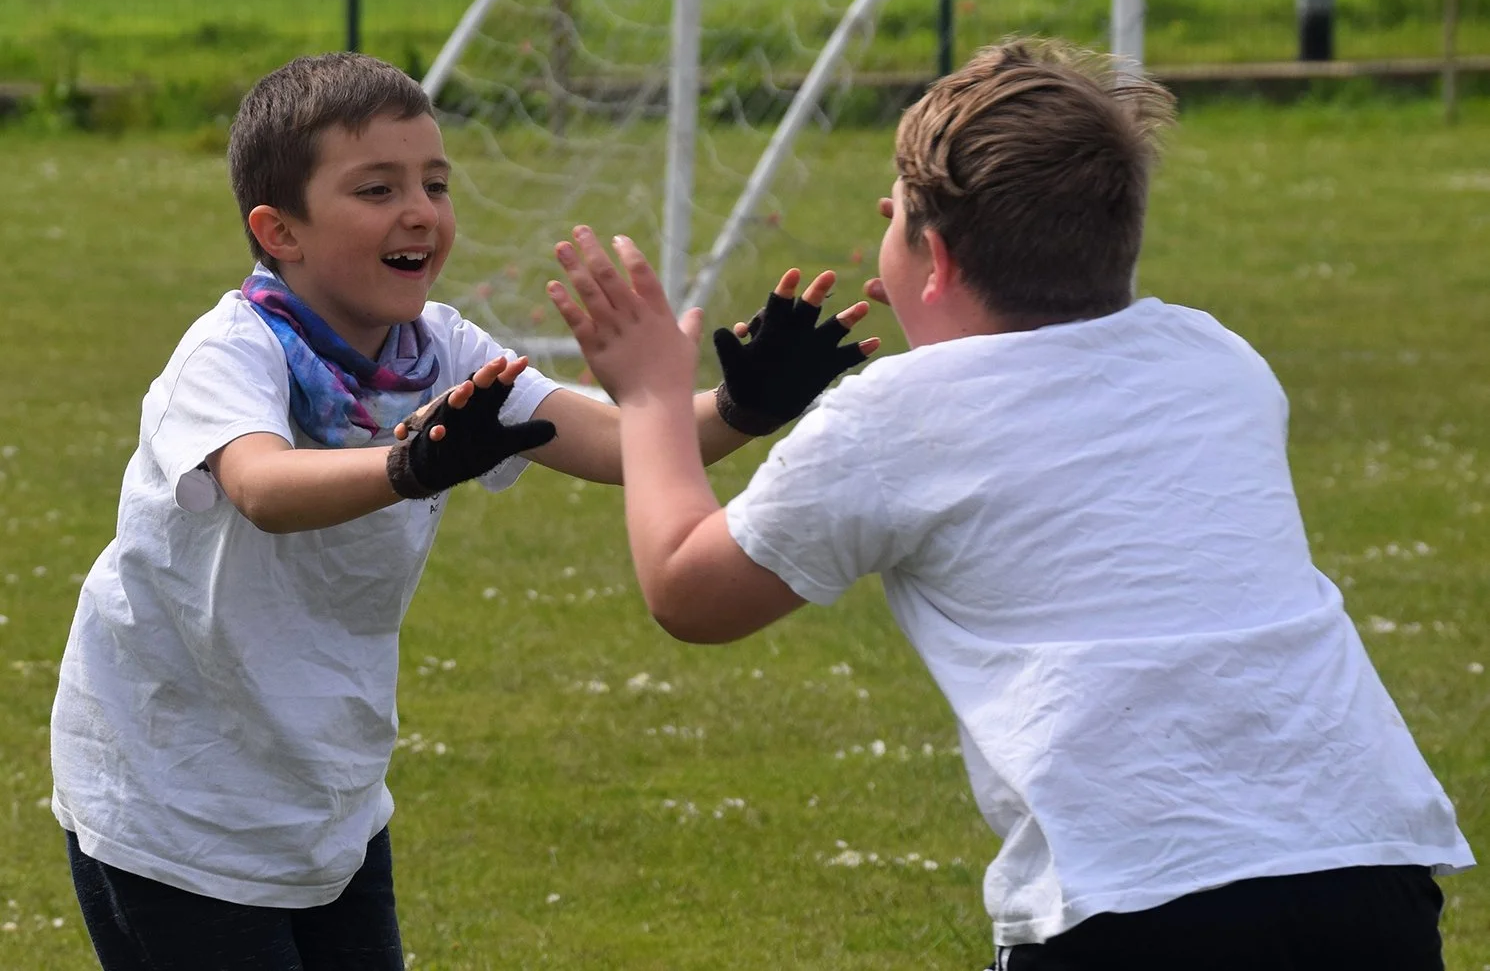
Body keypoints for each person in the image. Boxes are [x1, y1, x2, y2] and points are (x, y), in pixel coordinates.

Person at [545, 38, 1476, 970]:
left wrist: (653, 394)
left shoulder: (894, 417)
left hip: (1131, 900)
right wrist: (940, 294)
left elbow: (689, 589)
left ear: (937, 260)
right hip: (1367, 864)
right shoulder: (1221, 360)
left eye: (896, 218)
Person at [49, 51, 874, 971]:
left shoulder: (442, 350)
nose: (420, 212)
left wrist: (740, 408)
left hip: (324, 791)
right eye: (377, 188)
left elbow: (615, 443)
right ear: (279, 230)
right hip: (169, 796)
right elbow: (262, 488)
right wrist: (405, 466)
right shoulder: (232, 351)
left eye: (434, 184)